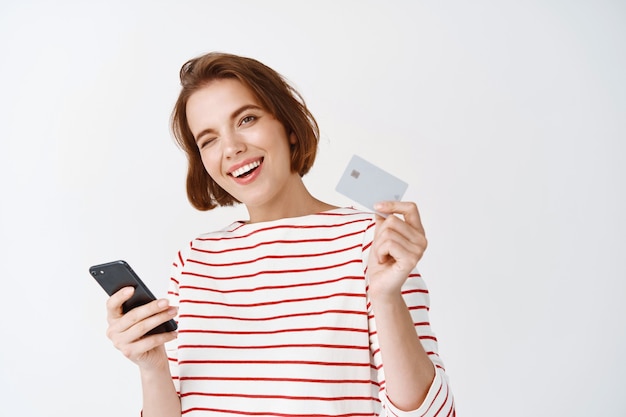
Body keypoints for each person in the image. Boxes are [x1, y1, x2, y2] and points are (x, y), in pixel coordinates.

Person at [105, 51, 455, 417]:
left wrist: (385, 297)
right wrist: (152, 367)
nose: (231, 148)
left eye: (247, 119)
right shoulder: (195, 260)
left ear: (288, 126)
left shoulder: (374, 242)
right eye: (208, 139)